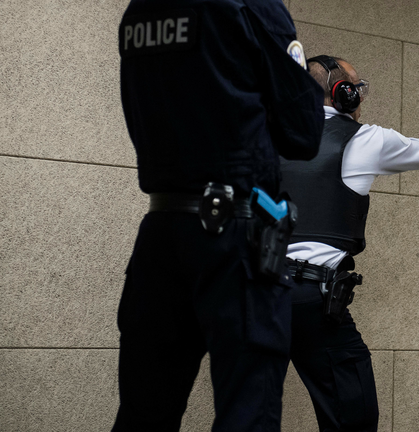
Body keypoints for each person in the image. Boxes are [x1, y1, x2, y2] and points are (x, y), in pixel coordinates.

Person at [112, 0, 325, 430]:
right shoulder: (253, 6)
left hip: (161, 233)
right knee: (248, 413)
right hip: (235, 239)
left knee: (143, 414)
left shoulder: (140, 11)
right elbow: (302, 133)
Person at [279, 55, 419, 432]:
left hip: (254, 292)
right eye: (357, 87)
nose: (361, 96)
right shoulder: (364, 139)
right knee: (354, 415)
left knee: (252, 408)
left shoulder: (265, 136)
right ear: (342, 94)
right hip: (311, 297)